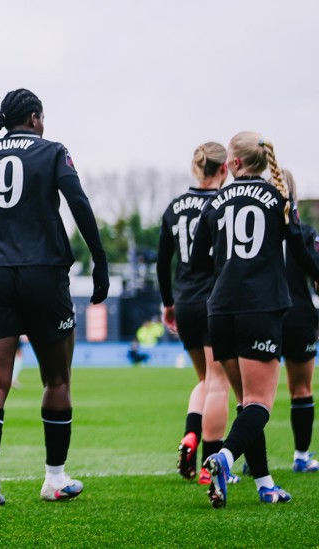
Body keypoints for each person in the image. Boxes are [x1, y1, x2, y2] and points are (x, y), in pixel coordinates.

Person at [0, 88, 109, 507]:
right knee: (57, 379)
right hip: (44, 273)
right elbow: (77, 202)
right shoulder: (52, 151)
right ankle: (54, 478)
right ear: (35, 118)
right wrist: (99, 260)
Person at [191, 132, 319, 507]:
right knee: (261, 403)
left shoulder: (215, 200)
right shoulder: (279, 197)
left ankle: (265, 483)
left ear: (235, 163)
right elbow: (300, 251)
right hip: (259, 309)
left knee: (246, 403)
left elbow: (198, 261)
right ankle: (225, 457)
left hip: (220, 310)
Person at [156, 142, 233, 484]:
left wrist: (168, 302)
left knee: (204, 380)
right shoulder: (223, 204)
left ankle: (191, 434)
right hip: (213, 300)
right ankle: (209, 466)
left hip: (184, 300)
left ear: (194, 168)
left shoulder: (174, 207)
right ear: (224, 170)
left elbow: (162, 262)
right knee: (219, 383)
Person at [277, 169, 319, 473]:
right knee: (301, 389)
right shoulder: (304, 234)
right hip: (298, 315)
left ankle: (254, 460)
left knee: (252, 396)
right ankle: (301, 457)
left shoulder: (256, 232)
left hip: (261, 314)